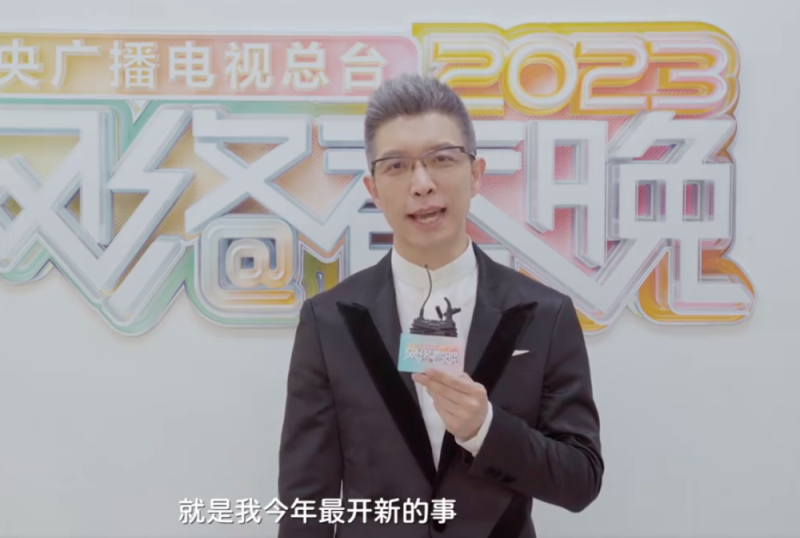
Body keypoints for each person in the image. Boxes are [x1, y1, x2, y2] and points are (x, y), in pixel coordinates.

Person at [277, 73, 603, 538]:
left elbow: (580, 480)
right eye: (396, 166)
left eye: (442, 159)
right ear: (373, 188)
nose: (422, 184)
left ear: (476, 174)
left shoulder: (543, 314)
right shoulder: (329, 321)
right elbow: (307, 500)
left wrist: (484, 429)